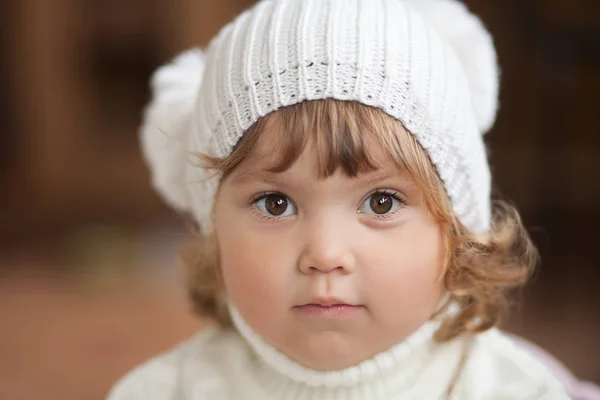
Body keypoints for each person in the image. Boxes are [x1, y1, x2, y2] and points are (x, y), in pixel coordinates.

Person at [107, 0, 571, 398]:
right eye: (275, 203)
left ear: (456, 233)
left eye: (381, 203)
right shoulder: (166, 391)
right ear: (214, 230)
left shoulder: (514, 389)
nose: (325, 255)